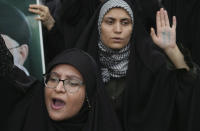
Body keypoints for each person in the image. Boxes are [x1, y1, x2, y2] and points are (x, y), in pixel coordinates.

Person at [74, 0, 200, 130]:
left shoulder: (149, 63)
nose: (118, 30)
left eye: (125, 22)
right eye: (110, 22)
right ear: (98, 25)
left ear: (133, 28)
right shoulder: (83, 63)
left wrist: (172, 50)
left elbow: (187, 89)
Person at [0, 35, 122, 131]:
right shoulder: (29, 111)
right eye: (53, 79)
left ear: (88, 96)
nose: (59, 88)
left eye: (72, 83)